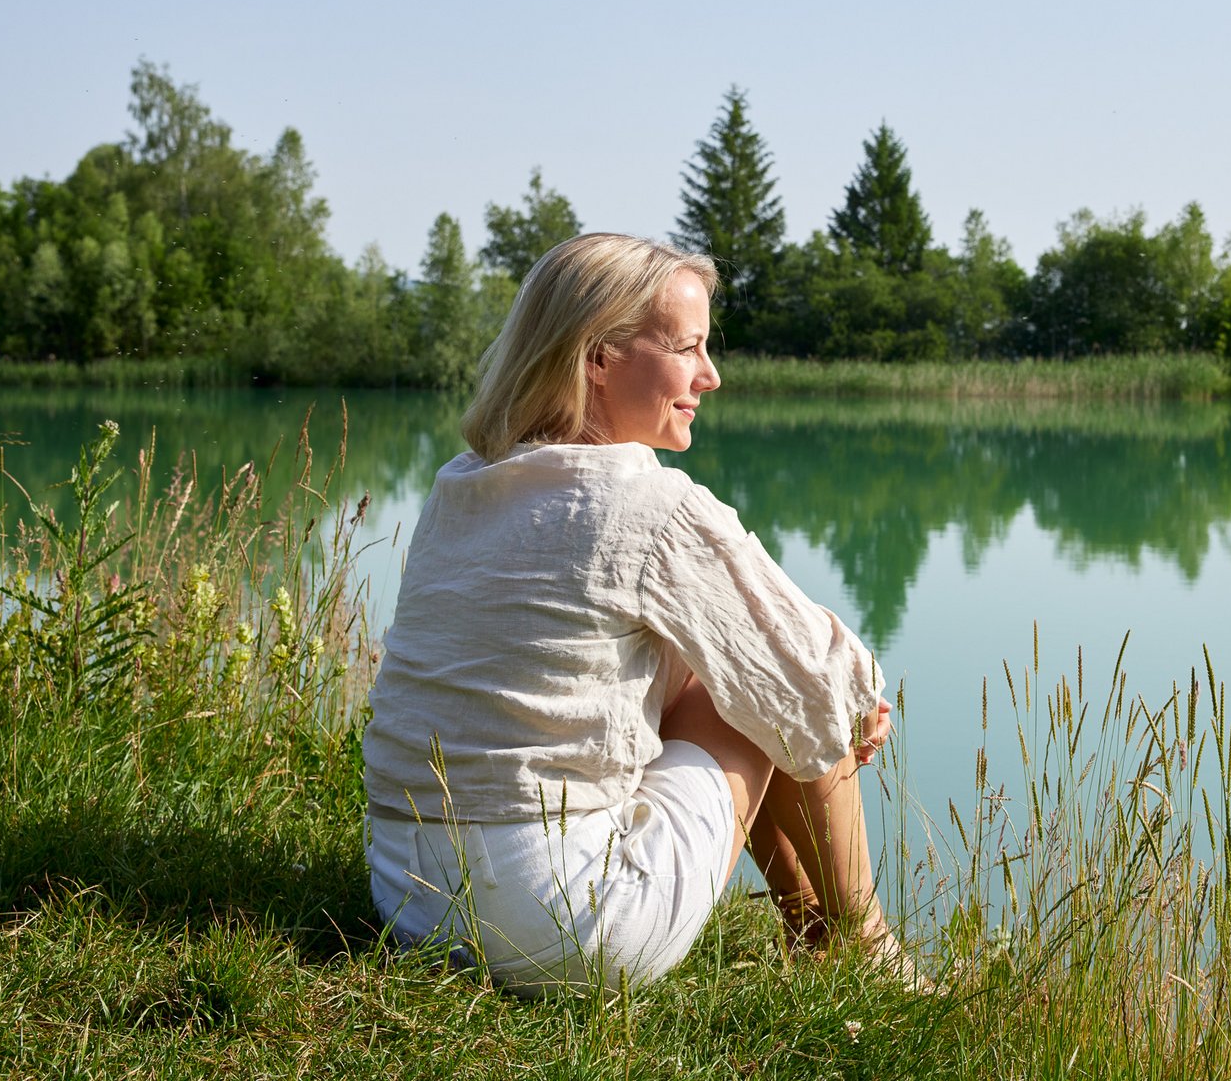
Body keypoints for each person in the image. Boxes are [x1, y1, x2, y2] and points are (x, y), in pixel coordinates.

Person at [362, 232, 901, 994]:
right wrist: (858, 700)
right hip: (566, 926)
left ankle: (810, 928)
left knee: (713, 658)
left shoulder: (461, 484)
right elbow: (817, 684)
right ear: (597, 358)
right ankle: (865, 946)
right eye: (687, 348)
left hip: (407, 901)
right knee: (758, 678)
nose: (709, 377)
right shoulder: (648, 505)